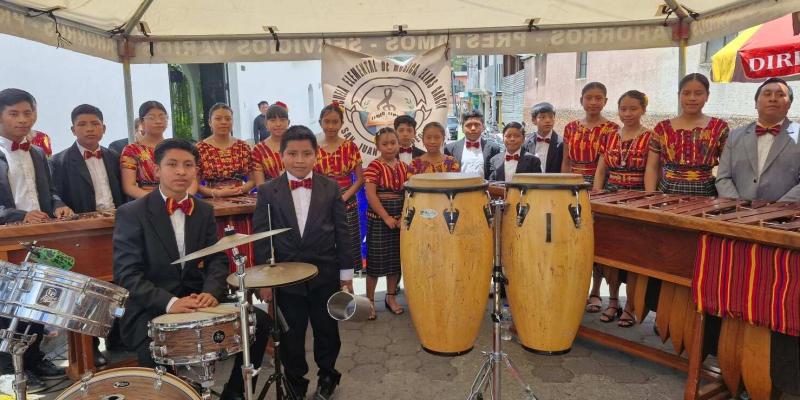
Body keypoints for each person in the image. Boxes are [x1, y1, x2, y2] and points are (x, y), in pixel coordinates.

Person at [113, 139, 269, 400]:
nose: (181, 172)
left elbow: (217, 260)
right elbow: (127, 275)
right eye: (172, 164)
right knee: (160, 376)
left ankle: (235, 393)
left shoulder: (204, 211)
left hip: (197, 297)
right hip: (151, 305)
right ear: (156, 170)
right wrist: (171, 302)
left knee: (259, 322)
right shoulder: (132, 213)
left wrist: (211, 291)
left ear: (196, 170)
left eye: (188, 165)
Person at [252, 126, 353, 400]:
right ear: (281, 155)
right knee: (291, 336)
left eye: (306, 154)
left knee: (327, 330)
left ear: (316, 155)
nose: (299, 160)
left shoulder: (330, 187)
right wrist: (263, 281)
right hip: (286, 279)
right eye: (292, 154)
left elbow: (342, 232)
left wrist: (346, 276)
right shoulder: (267, 191)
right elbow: (261, 239)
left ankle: (328, 375)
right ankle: (295, 381)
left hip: (325, 275)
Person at [0, 88, 72, 393]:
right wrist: (18, 216)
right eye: (13, 113)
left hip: (39, 238)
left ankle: (33, 357)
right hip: (6, 239)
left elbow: (49, 192)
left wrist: (57, 206)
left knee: (39, 299)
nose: (22, 120)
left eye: (27, 113)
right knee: (8, 304)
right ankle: (6, 366)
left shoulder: (39, 153)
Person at [591, 90, 653, 328]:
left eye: (633, 109)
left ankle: (630, 306)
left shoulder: (651, 137)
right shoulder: (609, 136)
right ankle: (613, 300)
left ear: (643, 110)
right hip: (610, 197)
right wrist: (597, 197)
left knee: (634, 256)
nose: (627, 114)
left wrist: (648, 201)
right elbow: (600, 170)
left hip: (637, 197)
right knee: (612, 255)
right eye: (623, 109)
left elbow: (652, 170)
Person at [716, 77, 800, 202]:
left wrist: (777, 210)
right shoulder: (735, 136)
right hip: (736, 215)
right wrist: (738, 206)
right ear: (756, 103)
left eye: (780, 94)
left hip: (786, 216)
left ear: (789, 104)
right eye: (767, 94)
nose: (773, 98)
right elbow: (723, 178)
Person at [645, 73, 729, 195]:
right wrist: (650, 196)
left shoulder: (719, 128)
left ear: (707, 96)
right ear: (679, 95)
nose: (692, 98)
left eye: (698, 93)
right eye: (686, 93)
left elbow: (726, 168)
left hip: (706, 192)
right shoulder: (662, 129)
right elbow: (652, 167)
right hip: (667, 191)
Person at [314, 102, 364, 274]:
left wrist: (343, 197)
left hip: (347, 202)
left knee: (347, 245)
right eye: (327, 121)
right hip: (320, 201)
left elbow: (360, 179)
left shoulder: (350, 146)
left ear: (341, 123)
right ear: (320, 122)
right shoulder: (313, 147)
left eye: (335, 122)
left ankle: (347, 287)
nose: (331, 126)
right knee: (323, 246)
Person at [364, 127, 408, 318]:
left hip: (399, 221)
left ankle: (390, 298)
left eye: (393, 143)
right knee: (374, 263)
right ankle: (369, 302)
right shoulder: (374, 166)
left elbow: (408, 194)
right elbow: (371, 195)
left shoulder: (405, 167)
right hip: (379, 220)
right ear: (377, 146)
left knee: (394, 263)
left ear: (399, 144)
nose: (389, 147)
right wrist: (386, 217)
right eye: (385, 144)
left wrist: (402, 217)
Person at [52, 104, 126, 214]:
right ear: (73, 130)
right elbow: (54, 194)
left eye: (95, 124)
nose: (89, 129)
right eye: (82, 124)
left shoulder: (115, 157)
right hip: (81, 225)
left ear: (104, 128)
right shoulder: (58, 161)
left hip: (117, 220)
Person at [121, 101, 189, 199]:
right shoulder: (131, 150)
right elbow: (129, 187)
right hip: (146, 201)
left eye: (162, 117)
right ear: (141, 122)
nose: (158, 121)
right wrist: (159, 200)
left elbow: (190, 177)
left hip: (179, 199)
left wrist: (182, 198)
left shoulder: (177, 147)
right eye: (151, 117)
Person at [560, 82, 620, 184]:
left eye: (598, 98)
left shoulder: (613, 129)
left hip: (601, 183)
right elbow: (566, 161)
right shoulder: (570, 127)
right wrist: (564, 185)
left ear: (605, 101)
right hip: (573, 182)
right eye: (588, 98)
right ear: (581, 100)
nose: (593, 102)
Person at [196, 103, 255, 197]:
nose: (223, 122)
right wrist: (216, 193)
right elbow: (194, 184)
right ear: (210, 122)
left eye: (228, 119)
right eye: (218, 118)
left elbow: (253, 179)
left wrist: (239, 189)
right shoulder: (200, 148)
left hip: (242, 198)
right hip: (211, 201)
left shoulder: (243, 146)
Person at [444, 110, 501, 180]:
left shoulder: (493, 148)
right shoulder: (450, 149)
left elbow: (494, 175)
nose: (473, 128)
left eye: (477, 125)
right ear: (462, 128)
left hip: (484, 190)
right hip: (459, 190)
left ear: (483, 127)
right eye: (468, 125)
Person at [252, 102, 289, 185]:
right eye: (273, 120)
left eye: (282, 120)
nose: (278, 124)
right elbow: (260, 185)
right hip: (270, 194)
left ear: (288, 123)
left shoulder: (298, 145)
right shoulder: (258, 150)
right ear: (266, 124)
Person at [522, 102, 563, 173]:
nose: (548, 120)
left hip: (554, 183)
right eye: (543, 117)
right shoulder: (526, 142)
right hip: (530, 182)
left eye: (551, 117)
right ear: (534, 120)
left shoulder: (562, 144)